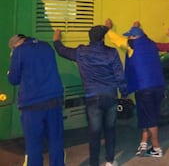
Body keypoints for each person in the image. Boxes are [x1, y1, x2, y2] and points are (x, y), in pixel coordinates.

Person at [53, 26, 128, 166]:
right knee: (110, 129)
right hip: (110, 96)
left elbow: (62, 51)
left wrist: (57, 39)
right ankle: (110, 161)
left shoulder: (81, 52)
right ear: (102, 38)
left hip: (92, 97)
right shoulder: (111, 53)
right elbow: (119, 75)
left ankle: (93, 163)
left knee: (94, 132)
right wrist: (124, 93)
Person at [105, 19, 165, 157]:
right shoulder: (150, 43)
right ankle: (144, 141)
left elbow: (117, 39)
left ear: (133, 37)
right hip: (158, 86)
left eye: (129, 35)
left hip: (145, 88)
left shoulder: (132, 45)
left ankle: (156, 148)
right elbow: (141, 36)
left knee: (150, 119)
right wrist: (136, 27)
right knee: (148, 115)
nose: (127, 37)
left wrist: (108, 29)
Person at [7, 34, 64, 166]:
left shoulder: (19, 51)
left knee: (34, 144)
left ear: (18, 43)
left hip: (31, 104)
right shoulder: (46, 46)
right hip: (53, 100)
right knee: (56, 141)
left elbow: (13, 79)